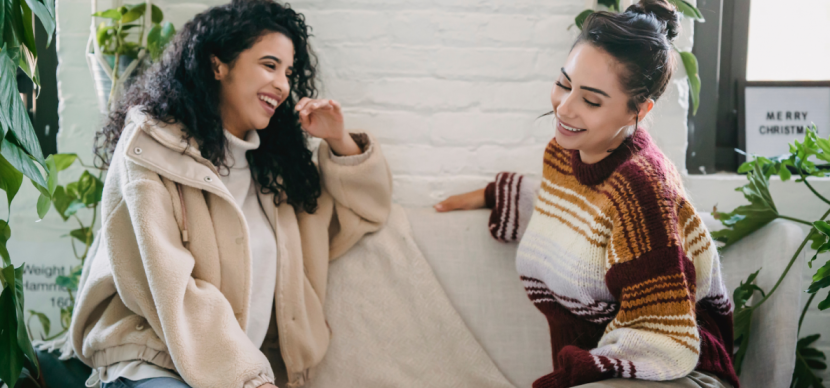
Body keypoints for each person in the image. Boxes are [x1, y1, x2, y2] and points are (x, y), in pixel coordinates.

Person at [68, 1, 392, 387]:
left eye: (288, 73)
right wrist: (250, 378)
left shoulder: (276, 175)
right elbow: (170, 290)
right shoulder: (151, 148)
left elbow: (367, 211)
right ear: (218, 64)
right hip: (153, 362)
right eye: (269, 65)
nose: (283, 84)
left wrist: (338, 139)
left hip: (237, 377)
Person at [435, 1, 738, 387]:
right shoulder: (566, 153)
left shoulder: (643, 190)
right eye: (564, 83)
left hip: (671, 373)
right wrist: (498, 194)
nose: (565, 107)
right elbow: (578, 210)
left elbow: (660, 337)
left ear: (638, 111)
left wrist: (568, 378)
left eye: (591, 100)